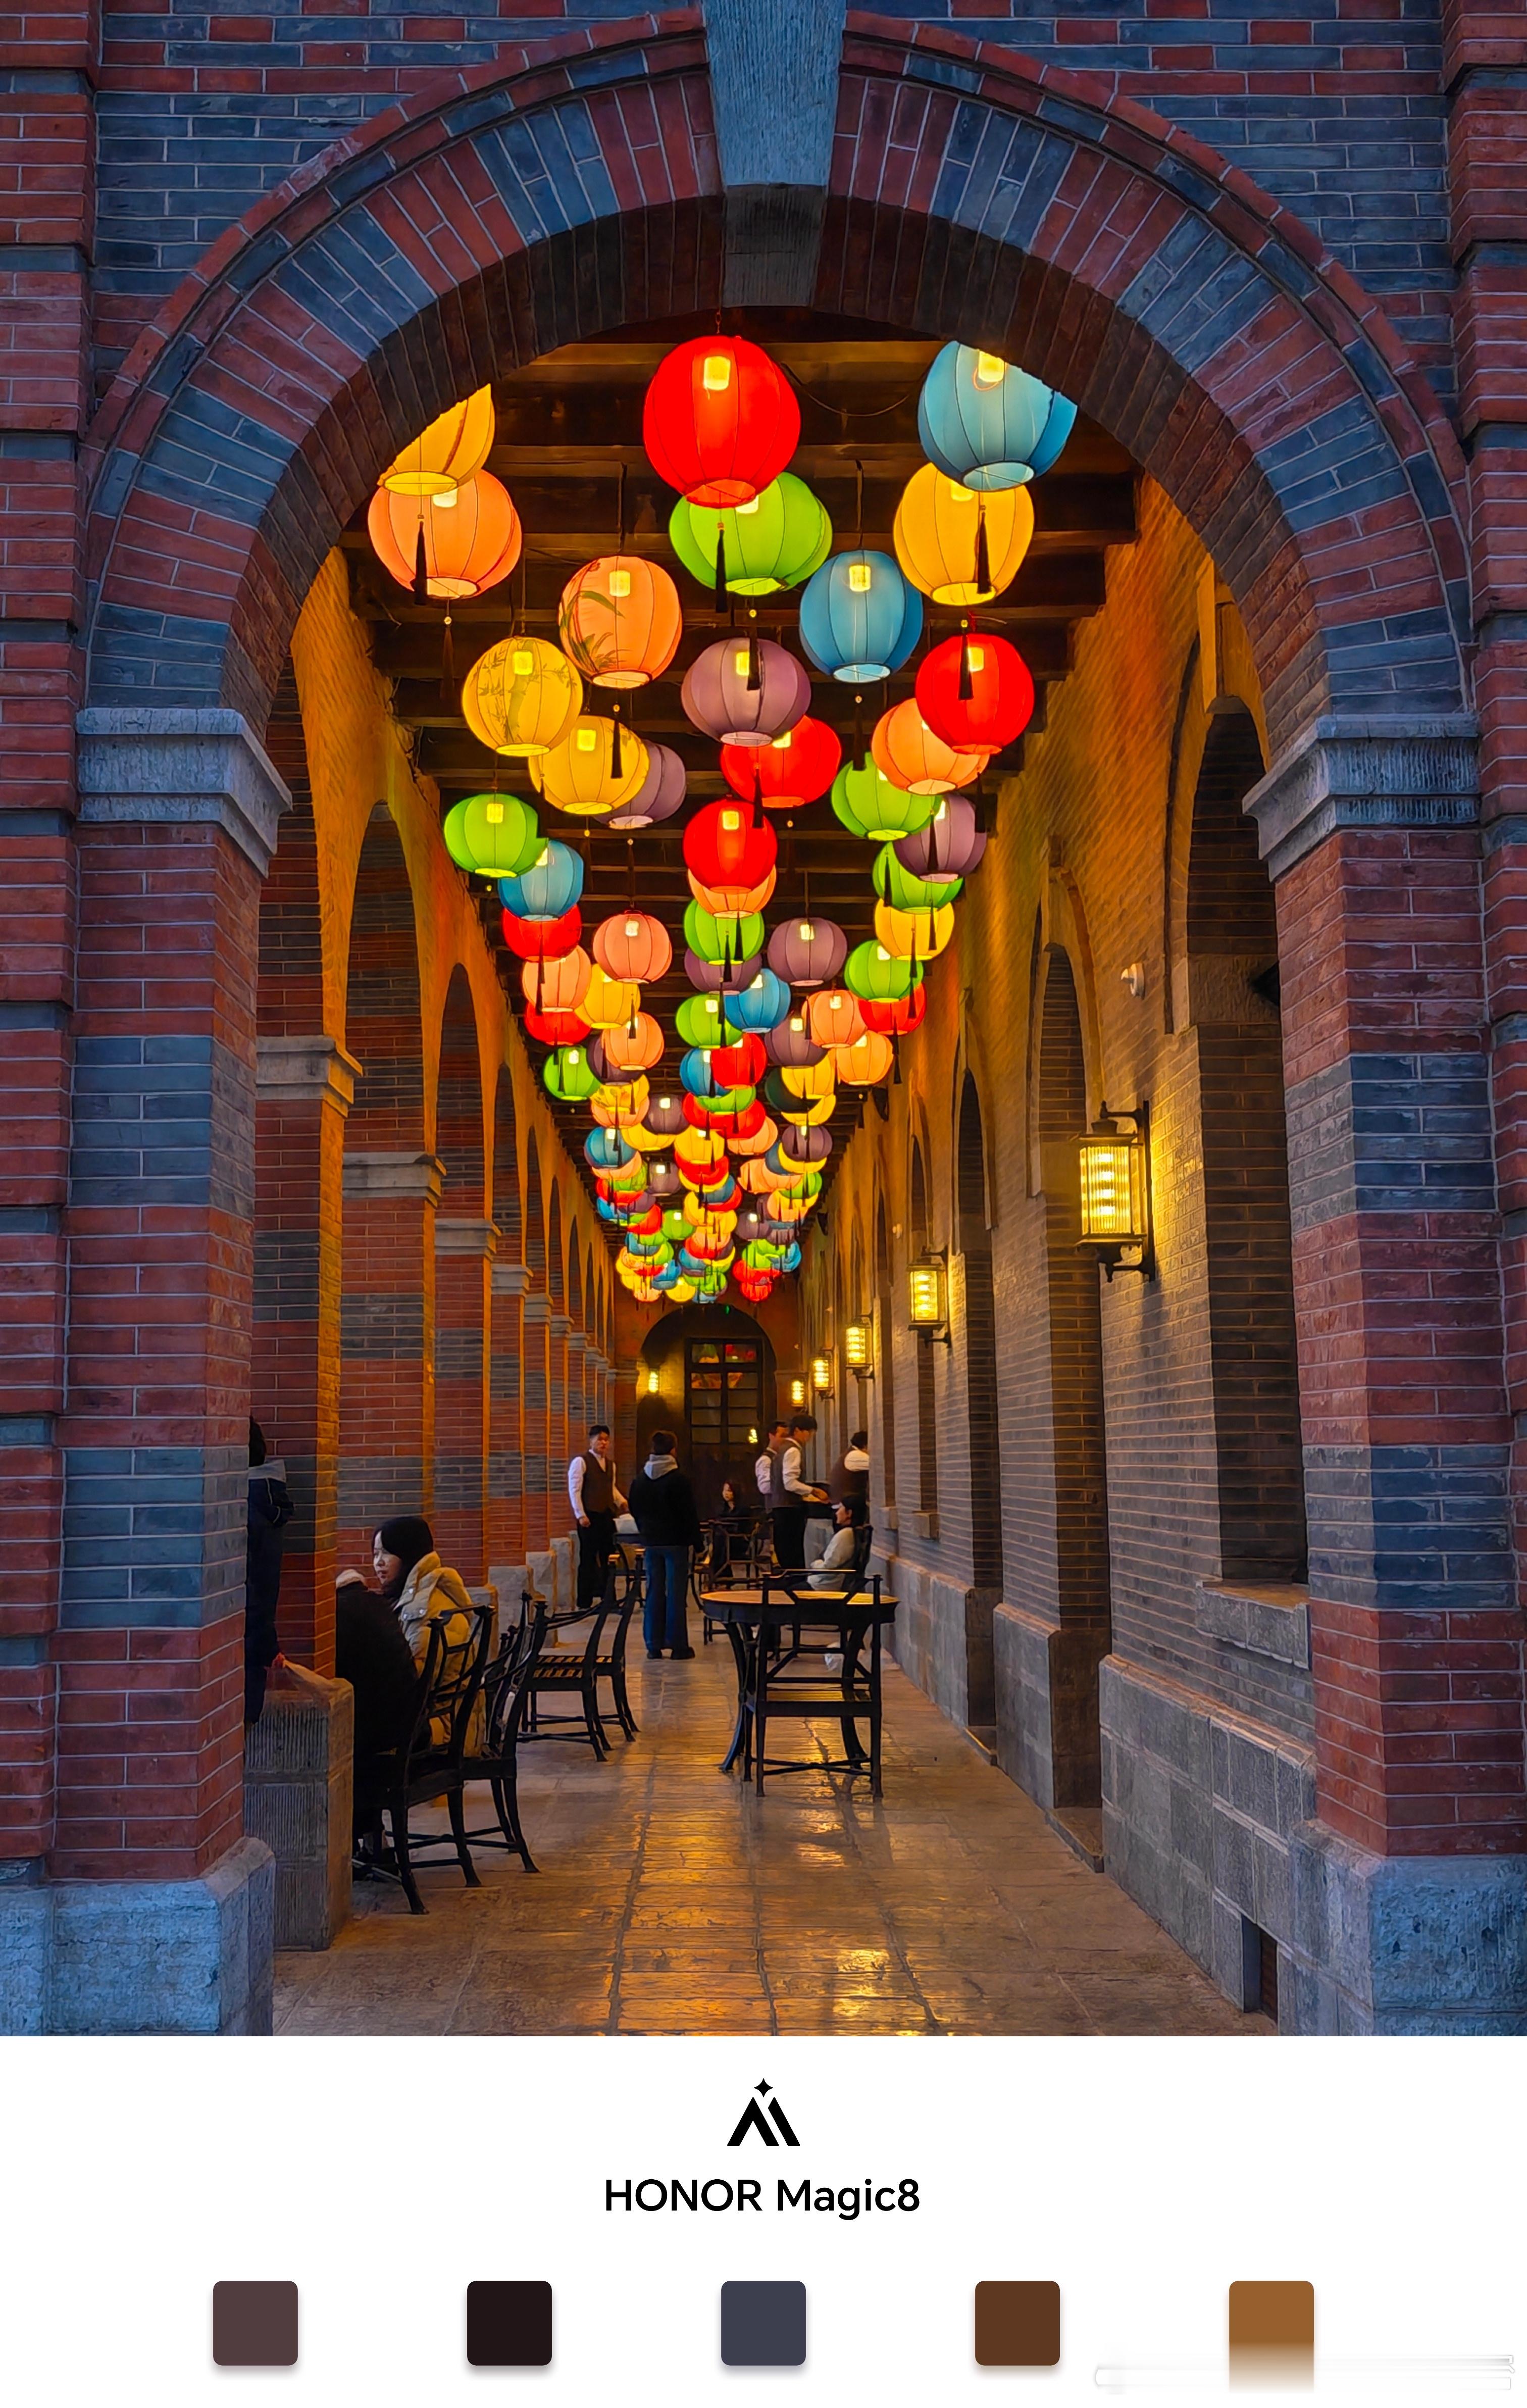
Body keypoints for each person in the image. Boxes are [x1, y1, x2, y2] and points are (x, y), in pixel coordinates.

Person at [334, 1566, 422, 1842]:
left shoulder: (341, 1614)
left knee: (337, 1745)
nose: (378, 1563)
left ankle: (355, 1841)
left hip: (393, 1745)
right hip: (411, 1730)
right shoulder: (378, 1605)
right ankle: (373, 1839)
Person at [627, 1430, 703, 1659]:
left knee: (653, 1592)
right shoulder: (679, 1480)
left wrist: (645, 1530)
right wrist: (698, 1544)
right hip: (676, 1543)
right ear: (673, 1450)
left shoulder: (640, 1480)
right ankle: (678, 1645)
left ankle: (653, 1645)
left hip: (651, 1542)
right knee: (676, 1594)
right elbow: (689, 1514)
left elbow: (634, 1508)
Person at [244, 1419, 293, 1725]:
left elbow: (249, 1588)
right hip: (251, 1654)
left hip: (234, 1657)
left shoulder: (243, 1510)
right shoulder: (265, 1503)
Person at [569, 1423, 626, 1614]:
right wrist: (580, 1514)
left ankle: (608, 1597)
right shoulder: (581, 1462)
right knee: (588, 1558)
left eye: (606, 1440)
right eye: (599, 1439)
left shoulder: (611, 1465)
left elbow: (611, 1488)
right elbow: (575, 1490)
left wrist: (622, 1502)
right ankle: (584, 1600)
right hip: (589, 1516)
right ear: (591, 1440)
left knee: (608, 1557)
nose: (603, 1443)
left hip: (606, 1515)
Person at [771, 1414, 828, 1568]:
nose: (809, 1438)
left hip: (780, 1506)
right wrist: (813, 1491)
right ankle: (795, 1585)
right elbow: (790, 1483)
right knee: (793, 1551)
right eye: (808, 1433)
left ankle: (790, 1583)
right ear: (797, 1431)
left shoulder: (782, 1449)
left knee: (786, 1550)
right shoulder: (793, 1450)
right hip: (790, 1508)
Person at [808, 1498, 867, 1590]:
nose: (837, 1513)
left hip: (824, 1586)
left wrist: (816, 1564)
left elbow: (829, 1567)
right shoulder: (851, 1533)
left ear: (849, 1513)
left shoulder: (846, 1535)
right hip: (825, 1583)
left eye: (840, 1508)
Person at [830, 1429, 872, 1512]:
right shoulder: (856, 1455)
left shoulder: (850, 1453)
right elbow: (878, 1468)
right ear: (865, 1445)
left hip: (840, 1503)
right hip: (845, 1508)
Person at [755, 1420, 787, 1505]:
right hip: (774, 1508)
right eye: (782, 1436)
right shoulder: (766, 1460)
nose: (785, 1440)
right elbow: (765, 1487)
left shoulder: (784, 1457)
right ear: (771, 1436)